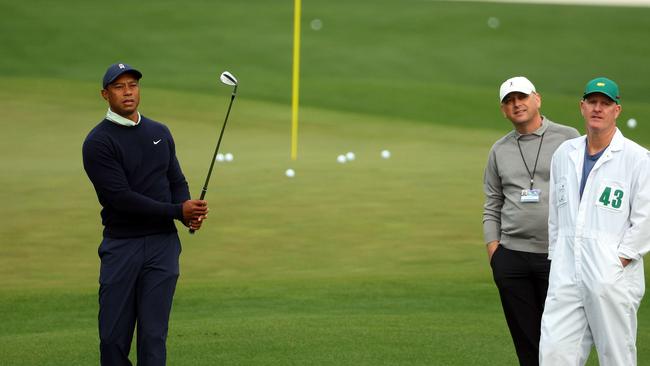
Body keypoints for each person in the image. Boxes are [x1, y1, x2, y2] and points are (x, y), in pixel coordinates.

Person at [82, 62, 209, 366]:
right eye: (119, 86)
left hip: (162, 246)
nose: (128, 92)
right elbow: (121, 199)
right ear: (105, 94)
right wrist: (177, 210)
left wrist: (187, 213)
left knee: (153, 338)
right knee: (113, 339)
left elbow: (175, 180)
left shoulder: (159, 132)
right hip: (122, 246)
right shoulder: (98, 142)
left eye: (133, 85)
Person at [539, 77, 650, 365]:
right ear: (582, 107)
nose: (598, 108)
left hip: (610, 276)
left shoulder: (638, 158)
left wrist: (618, 262)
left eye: (605, 103)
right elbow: (556, 213)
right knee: (554, 353)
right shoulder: (565, 153)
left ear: (617, 110)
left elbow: (646, 219)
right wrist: (558, 256)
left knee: (616, 356)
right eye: (592, 102)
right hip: (565, 270)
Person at [483, 76, 579, 366]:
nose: (517, 104)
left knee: (559, 339)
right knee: (526, 341)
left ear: (537, 99)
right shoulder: (499, 149)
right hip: (511, 256)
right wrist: (494, 252)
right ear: (504, 110)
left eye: (522, 98)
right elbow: (492, 203)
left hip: (556, 254)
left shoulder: (568, 137)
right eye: (509, 101)